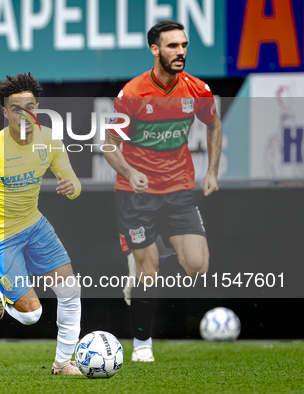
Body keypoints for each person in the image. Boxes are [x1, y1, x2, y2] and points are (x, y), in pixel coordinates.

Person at [0, 73, 83, 375]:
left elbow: (73, 180)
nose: (26, 114)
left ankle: (62, 364)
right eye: (17, 108)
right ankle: (2, 293)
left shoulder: (48, 140)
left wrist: (71, 187)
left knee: (70, 290)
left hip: (34, 225)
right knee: (33, 315)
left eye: (31, 106)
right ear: (6, 111)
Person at [103, 21, 223, 362]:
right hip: (136, 193)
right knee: (149, 270)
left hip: (179, 190)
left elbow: (214, 125)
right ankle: (142, 345)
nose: (181, 52)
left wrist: (211, 171)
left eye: (184, 45)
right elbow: (109, 145)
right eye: (172, 46)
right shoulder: (133, 94)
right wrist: (131, 171)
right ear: (155, 50)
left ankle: (140, 263)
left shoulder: (197, 89)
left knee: (197, 266)